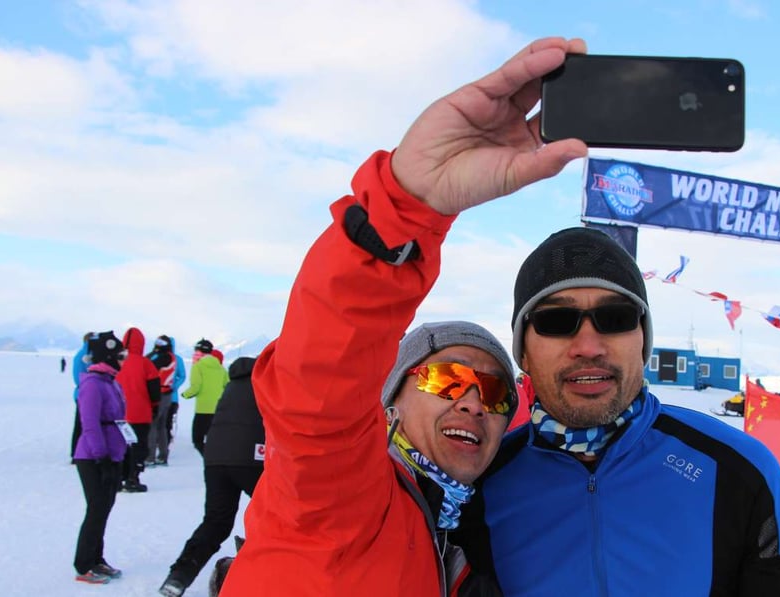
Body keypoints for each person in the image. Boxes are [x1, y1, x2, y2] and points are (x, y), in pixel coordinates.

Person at [219, 38, 593, 597]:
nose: (473, 402)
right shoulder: (338, 495)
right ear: (390, 399)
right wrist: (404, 206)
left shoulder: (456, 536)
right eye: (447, 379)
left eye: (494, 394)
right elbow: (322, 385)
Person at [455, 227, 780, 595]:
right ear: (522, 352)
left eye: (615, 318)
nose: (588, 346)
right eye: (555, 322)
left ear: (643, 341)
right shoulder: (477, 488)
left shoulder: (739, 472)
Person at [159, 356, 264, 596]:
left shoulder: (232, 385)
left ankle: (178, 577)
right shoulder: (264, 382)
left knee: (216, 522)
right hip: (251, 458)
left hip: (215, 459)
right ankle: (256, 570)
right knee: (276, 515)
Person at [72, 331, 128, 584]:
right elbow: (90, 423)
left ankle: (97, 558)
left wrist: (125, 453)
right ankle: (84, 564)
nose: (124, 360)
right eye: (120, 355)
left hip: (112, 454)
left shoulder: (111, 382)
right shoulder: (93, 384)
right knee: (96, 509)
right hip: (93, 457)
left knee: (104, 509)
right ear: (108, 356)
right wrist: (101, 457)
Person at [117, 326, 161, 492]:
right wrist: (154, 407)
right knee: (139, 447)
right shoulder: (146, 364)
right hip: (140, 414)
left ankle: (118, 478)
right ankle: (133, 477)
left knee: (120, 447)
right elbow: (154, 390)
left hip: (119, 414)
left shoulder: (118, 360)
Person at [182, 339, 229, 456]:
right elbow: (227, 386)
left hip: (202, 409)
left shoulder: (198, 366)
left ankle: (208, 458)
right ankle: (215, 458)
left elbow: (196, 387)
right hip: (218, 409)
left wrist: (185, 394)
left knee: (197, 439)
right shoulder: (221, 368)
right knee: (214, 439)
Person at [147, 335, 181, 465]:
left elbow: (149, 364)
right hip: (167, 394)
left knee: (153, 425)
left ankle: (150, 456)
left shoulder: (164, 357)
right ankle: (162, 455)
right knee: (161, 426)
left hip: (159, 394)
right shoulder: (170, 357)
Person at [71, 332, 96, 459]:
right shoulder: (86, 356)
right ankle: (77, 453)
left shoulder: (83, 354)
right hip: (85, 394)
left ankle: (78, 451)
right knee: (82, 425)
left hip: (82, 393)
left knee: (82, 424)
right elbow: (79, 376)